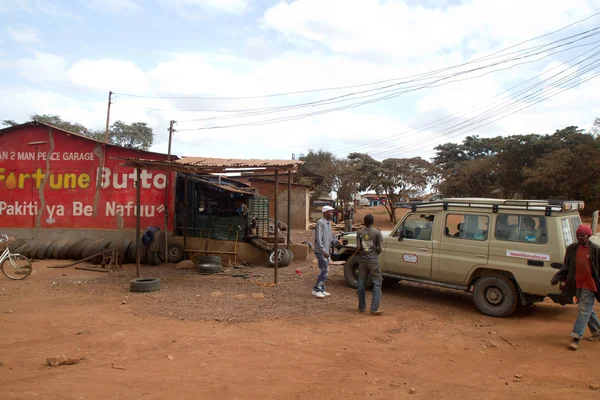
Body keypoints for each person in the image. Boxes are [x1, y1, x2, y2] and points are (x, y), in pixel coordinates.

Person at [551, 225, 600, 350]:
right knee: (586, 308)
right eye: (578, 236)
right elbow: (566, 266)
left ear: (588, 236)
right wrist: (557, 277)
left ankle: (576, 338)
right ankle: (597, 331)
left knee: (584, 310)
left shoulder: (596, 250)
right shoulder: (572, 248)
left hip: (590, 285)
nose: (580, 238)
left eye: (582, 236)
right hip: (577, 284)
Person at [356, 214, 384, 315]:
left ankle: (361, 307)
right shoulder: (377, 233)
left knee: (361, 282)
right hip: (373, 261)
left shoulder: (359, 232)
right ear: (372, 222)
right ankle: (374, 309)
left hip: (363, 261)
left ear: (364, 222)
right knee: (377, 283)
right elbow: (380, 249)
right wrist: (374, 254)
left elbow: (358, 248)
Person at [313, 205, 337, 299]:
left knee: (326, 270)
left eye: (332, 212)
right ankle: (316, 289)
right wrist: (323, 250)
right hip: (321, 251)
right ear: (324, 213)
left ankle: (322, 289)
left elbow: (329, 237)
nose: (331, 213)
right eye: (330, 212)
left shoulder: (328, 223)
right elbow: (318, 238)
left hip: (326, 250)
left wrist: (335, 241)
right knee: (324, 270)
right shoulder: (320, 222)